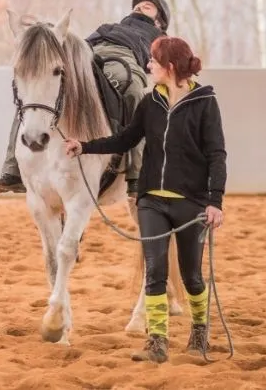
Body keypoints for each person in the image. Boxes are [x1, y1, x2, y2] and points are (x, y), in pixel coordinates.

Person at [63, 36, 227, 363]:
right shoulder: (150, 102)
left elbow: (217, 154)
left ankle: (199, 328)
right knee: (155, 271)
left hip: (190, 204)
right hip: (151, 200)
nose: (147, 66)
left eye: (152, 61)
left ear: (169, 67)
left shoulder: (205, 103)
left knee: (192, 275)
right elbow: (125, 138)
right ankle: (157, 340)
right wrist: (84, 146)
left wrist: (214, 201)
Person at [0, 0, 171, 197]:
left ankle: (136, 171)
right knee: (36, 93)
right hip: (87, 56)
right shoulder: (111, 27)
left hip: (123, 61)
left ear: (159, 22)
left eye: (148, 6)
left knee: (135, 92)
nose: (140, 6)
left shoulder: (160, 38)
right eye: (138, 4)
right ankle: (13, 170)